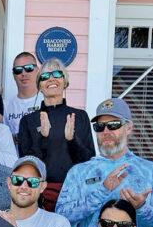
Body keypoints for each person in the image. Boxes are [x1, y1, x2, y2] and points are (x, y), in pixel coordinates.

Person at [56, 97, 153, 227]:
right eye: (100, 127)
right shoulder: (79, 172)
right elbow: (61, 217)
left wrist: (141, 208)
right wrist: (101, 192)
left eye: (114, 125)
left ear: (128, 128)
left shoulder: (150, 171)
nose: (106, 131)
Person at [18, 58, 95, 211]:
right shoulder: (28, 120)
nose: (51, 79)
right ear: (39, 85)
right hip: (39, 195)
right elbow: (27, 164)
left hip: (74, 194)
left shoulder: (79, 116)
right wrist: (43, 137)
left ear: (65, 81)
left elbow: (88, 161)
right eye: (45, 76)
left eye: (57, 74)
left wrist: (72, 140)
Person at [3, 52, 42, 135]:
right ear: (13, 75)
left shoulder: (47, 101)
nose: (23, 74)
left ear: (37, 70)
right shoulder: (6, 105)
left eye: (29, 68)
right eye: (18, 70)